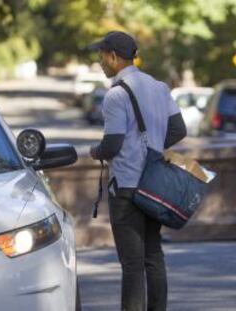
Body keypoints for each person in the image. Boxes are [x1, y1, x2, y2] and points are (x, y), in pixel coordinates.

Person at [88, 31, 187, 311]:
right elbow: (179, 129)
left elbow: (112, 144)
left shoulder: (115, 95)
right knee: (153, 255)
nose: (100, 63)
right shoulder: (158, 87)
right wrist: (152, 148)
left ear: (114, 57)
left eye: (102, 57)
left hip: (127, 187)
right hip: (152, 184)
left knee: (132, 264)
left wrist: (96, 152)